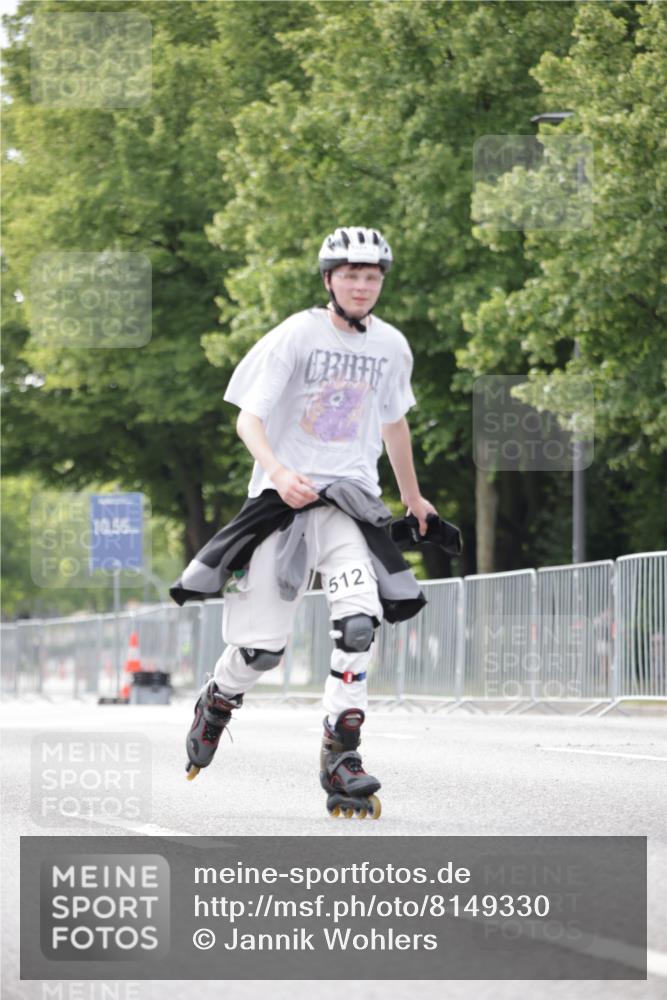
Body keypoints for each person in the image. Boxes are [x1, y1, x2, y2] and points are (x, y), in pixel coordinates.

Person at [183, 226, 437, 818]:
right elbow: (250, 418)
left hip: (351, 505)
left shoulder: (392, 347)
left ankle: (340, 753)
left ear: (381, 284)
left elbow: (393, 423)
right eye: (350, 275)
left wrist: (414, 497)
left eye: (371, 277)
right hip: (283, 504)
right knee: (261, 652)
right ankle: (219, 698)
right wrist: (276, 470)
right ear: (329, 279)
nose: (361, 285)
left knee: (357, 628)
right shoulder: (297, 334)